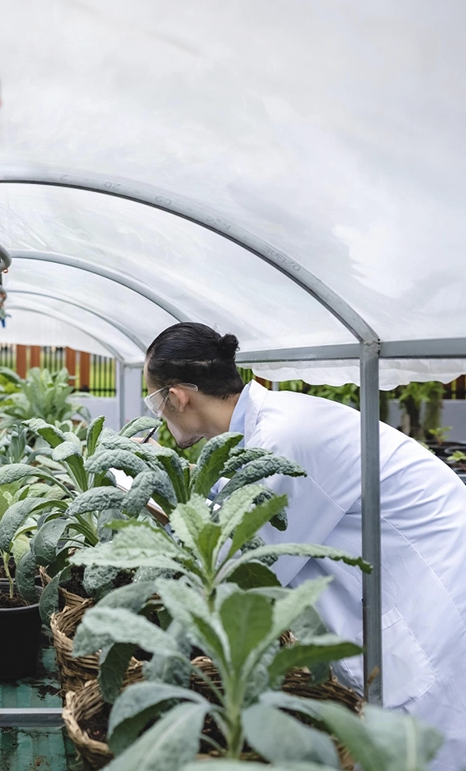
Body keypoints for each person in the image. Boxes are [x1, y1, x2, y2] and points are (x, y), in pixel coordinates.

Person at [144, 322, 466, 771]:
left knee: (421, 748)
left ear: (177, 397)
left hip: (431, 596)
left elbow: (243, 564)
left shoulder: (284, 439)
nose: (157, 415)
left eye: (153, 401)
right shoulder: (266, 426)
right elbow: (227, 502)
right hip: (407, 581)